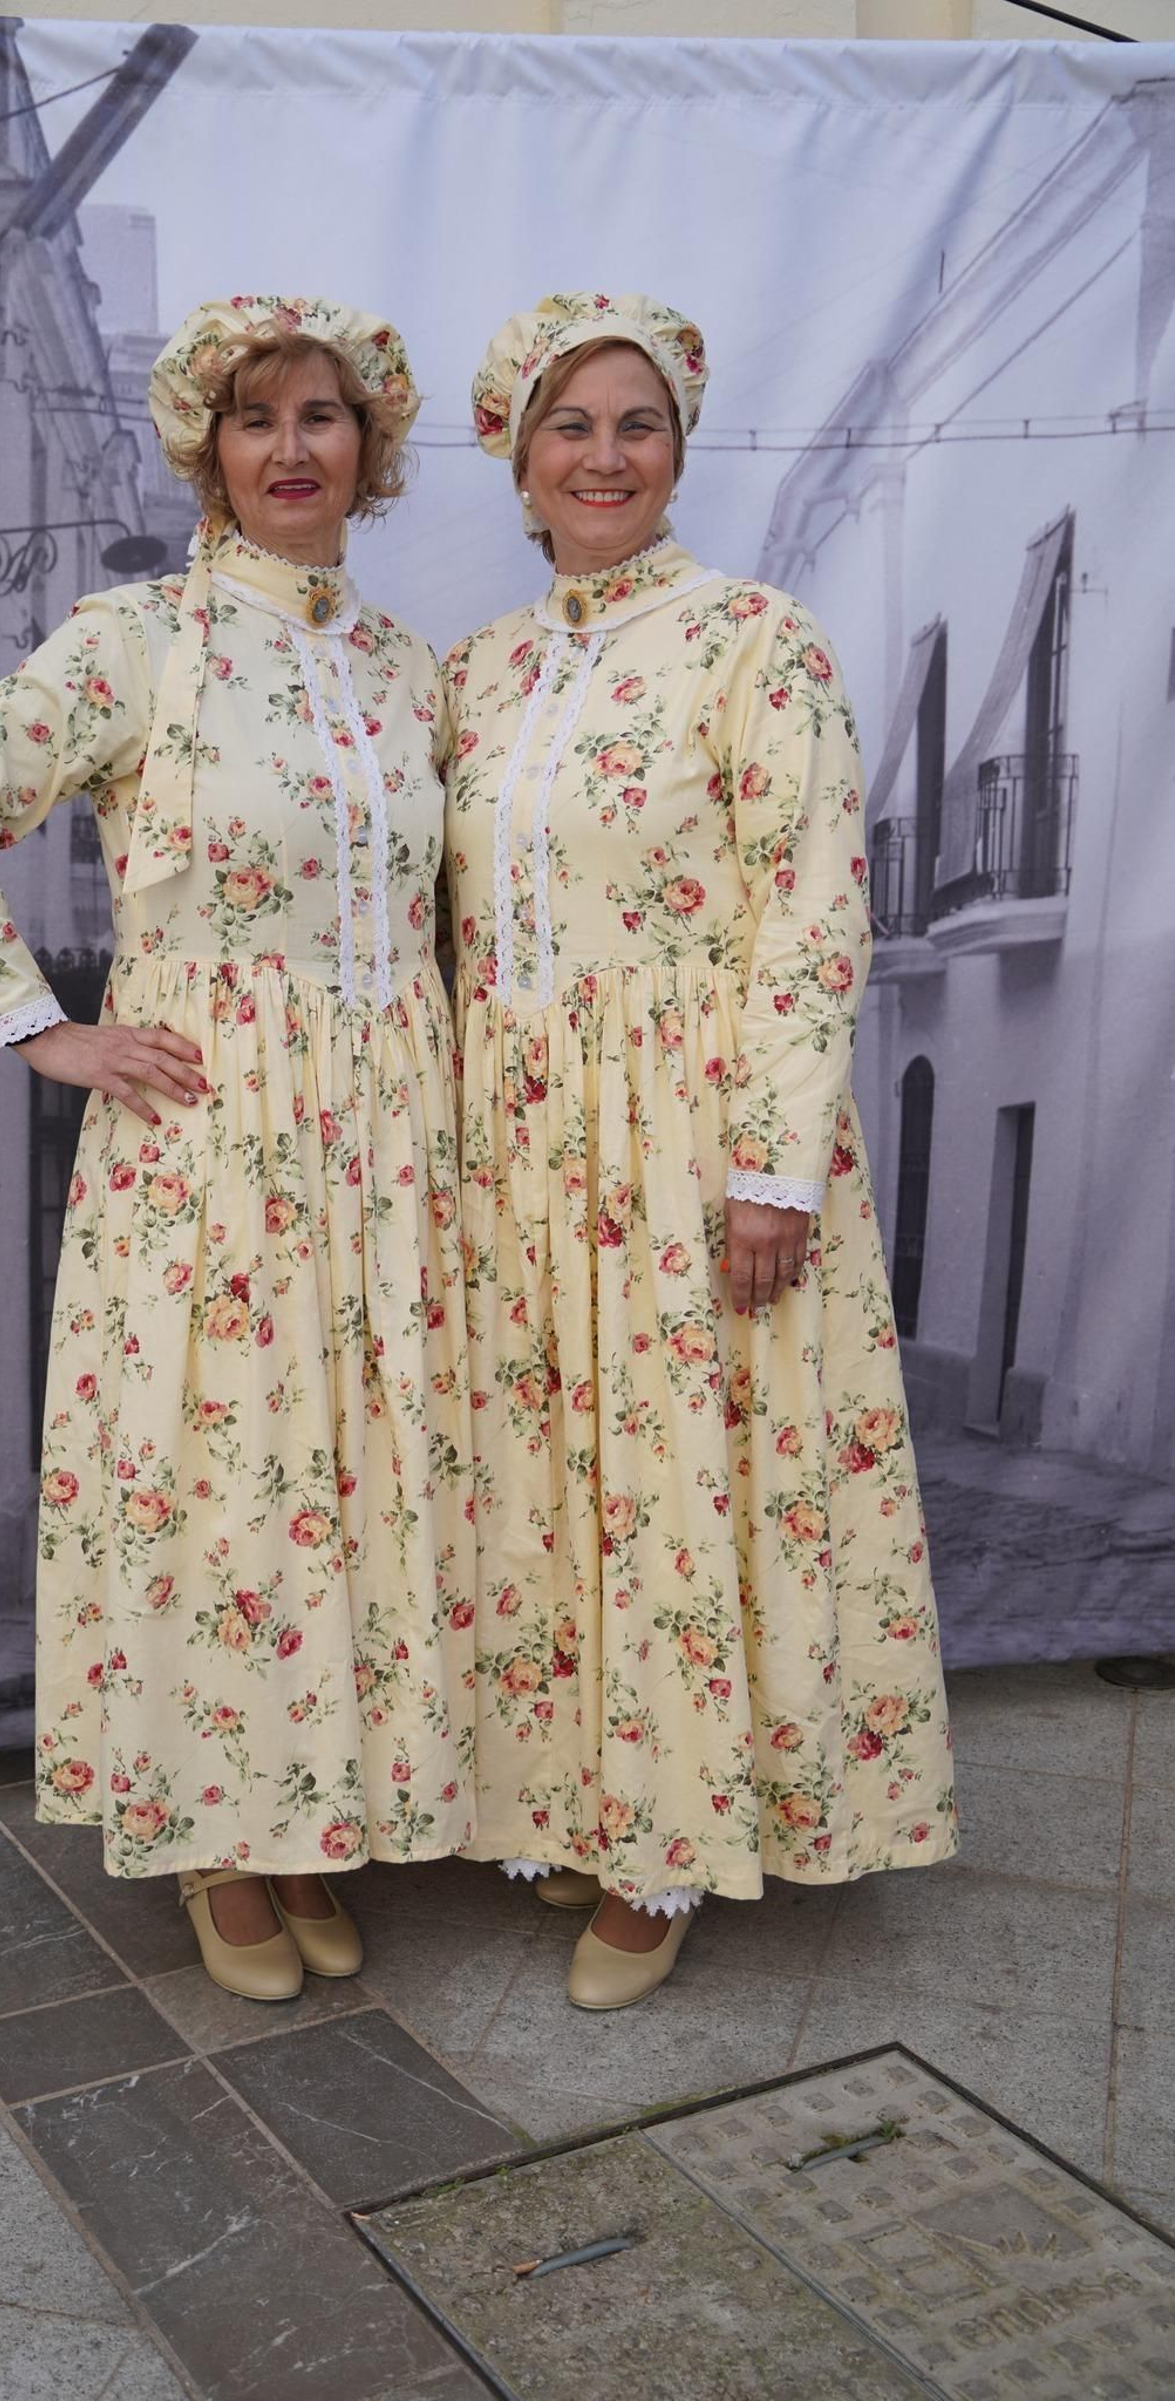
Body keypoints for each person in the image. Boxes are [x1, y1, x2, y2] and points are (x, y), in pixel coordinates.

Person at [0, 296, 475, 2002]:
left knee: (350, 1477)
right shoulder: (138, 640)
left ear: (370, 445)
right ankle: (217, 1834)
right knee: (220, 1479)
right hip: (212, 1137)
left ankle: (312, 1812)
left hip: (385, 1141)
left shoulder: (406, 667)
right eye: (255, 418)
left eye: (321, 417)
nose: (291, 448)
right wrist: (40, 1027)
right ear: (207, 448)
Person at [446, 290, 956, 2011]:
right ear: (519, 460)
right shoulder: (477, 670)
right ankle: (575, 1796)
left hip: (689, 1134)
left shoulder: (756, 641)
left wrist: (772, 1164)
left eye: (637, 424)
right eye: (570, 427)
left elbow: (812, 909)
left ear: (677, 449)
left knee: (675, 1480)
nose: (605, 457)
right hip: (518, 1146)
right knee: (551, 1476)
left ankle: (667, 1844)